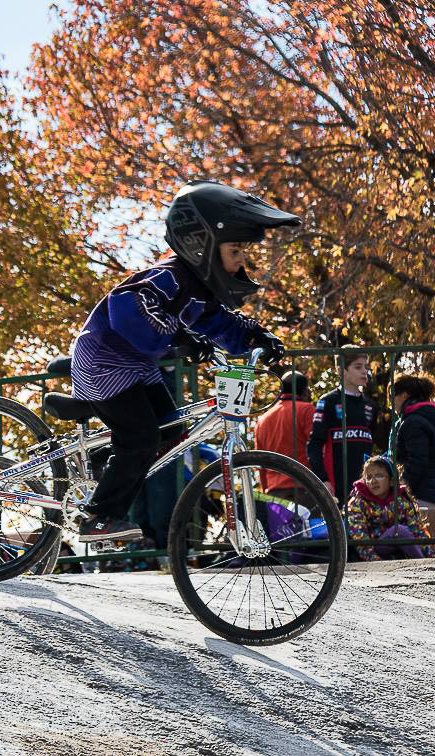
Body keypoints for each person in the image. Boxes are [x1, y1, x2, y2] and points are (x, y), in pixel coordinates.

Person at [69, 180, 296, 541]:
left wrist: (257, 338)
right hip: (103, 365)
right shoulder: (167, 276)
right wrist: (178, 338)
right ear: (201, 243)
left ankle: (121, 464)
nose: (241, 262)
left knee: (171, 431)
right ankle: (98, 515)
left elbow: (220, 323)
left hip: (137, 368)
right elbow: (126, 307)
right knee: (141, 438)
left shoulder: (196, 288)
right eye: (235, 250)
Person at [306, 347, 378, 508]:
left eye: (366, 367)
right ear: (341, 370)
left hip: (365, 484)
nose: (364, 372)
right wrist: (323, 479)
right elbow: (314, 444)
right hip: (336, 485)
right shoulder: (328, 402)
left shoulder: (370, 405)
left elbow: (373, 447)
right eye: (358, 367)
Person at [346, 455, 432, 561]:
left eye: (379, 476)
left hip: (395, 548)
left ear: (391, 480)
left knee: (402, 531)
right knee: (398, 530)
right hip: (371, 550)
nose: (373, 481)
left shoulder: (401, 500)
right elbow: (358, 536)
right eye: (368, 477)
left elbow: (417, 530)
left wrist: (430, 553)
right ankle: (421, 561)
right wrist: (374, 560)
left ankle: (428, 559)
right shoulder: (358, 502)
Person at [254, 371, 317, 503]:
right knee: (311, 524)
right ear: (305, 391)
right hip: (304, 486)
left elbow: (260, 461)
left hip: (274, 491)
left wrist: (266, 489)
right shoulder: (306, 410)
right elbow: (316, 447)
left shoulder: (263, 419)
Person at [390, 374, 435, 508]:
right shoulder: (434, 415)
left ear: (403, 395)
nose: (391, 404)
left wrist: (401, 488)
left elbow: (417, 461)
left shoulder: (413, 422)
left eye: (392, 398)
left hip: (424, 495)